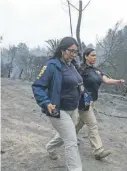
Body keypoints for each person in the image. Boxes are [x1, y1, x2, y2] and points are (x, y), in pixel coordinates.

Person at [32, 37, 83, 171]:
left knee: (64, 134)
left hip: (73, 108)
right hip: (58, 109)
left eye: (75, 52)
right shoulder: (51, 65)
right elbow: (37, 86)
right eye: (71, 51)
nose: (73, 54)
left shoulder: (72, 65)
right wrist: (46, 102)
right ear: (62, 50)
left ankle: (50, 147)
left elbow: (78, 83)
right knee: (71, 141)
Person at [76, 48, 125, 160]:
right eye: (92, 55)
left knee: (79, 123)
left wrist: (118, 82)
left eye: (95, 55)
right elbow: (74, 82)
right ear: (86, 56)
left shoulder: (96, 70)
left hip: (92, 101)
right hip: (83, 101)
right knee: (93, 125)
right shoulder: (81, 69)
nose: (95, 57)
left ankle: (68, 137)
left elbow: (106, 80)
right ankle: (98, 151)